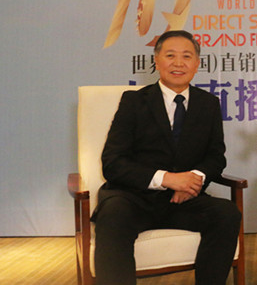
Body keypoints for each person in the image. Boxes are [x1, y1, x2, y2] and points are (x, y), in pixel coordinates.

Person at [92, 30, 241, 285]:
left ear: (197, 64)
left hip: (182, 202)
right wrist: (167, 179)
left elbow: (216, 157)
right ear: (157, 61)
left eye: (187, 56)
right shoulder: (134, 101)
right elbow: (113, 162)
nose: (178, 63)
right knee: (113, 214)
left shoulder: (208, 104)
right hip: (133, 198)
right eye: (170, 55)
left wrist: (192, 181)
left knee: (226, 213)